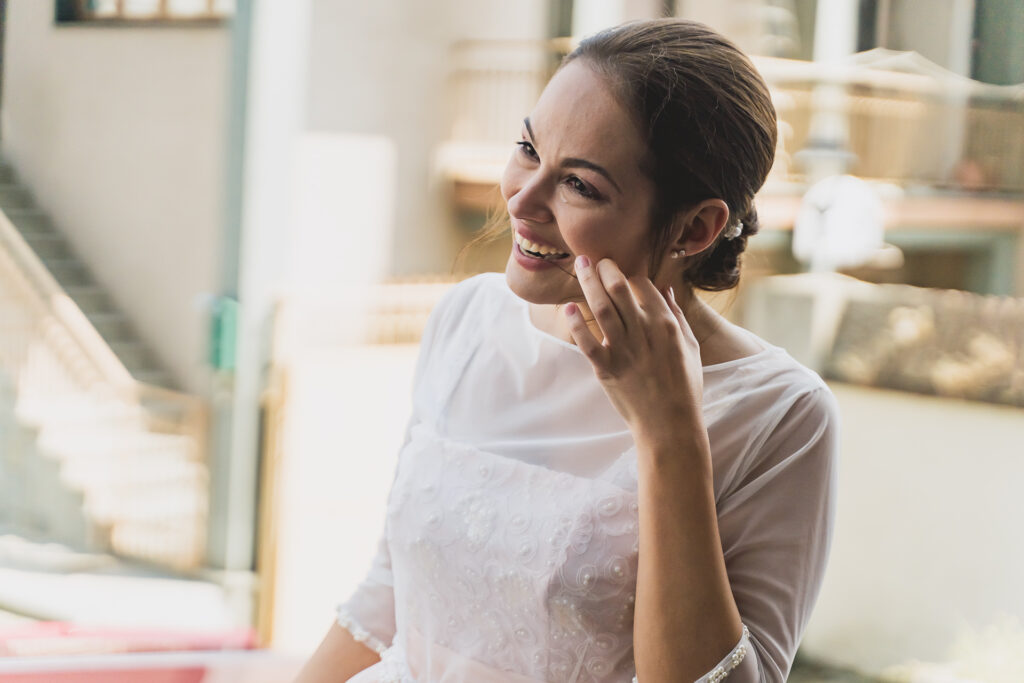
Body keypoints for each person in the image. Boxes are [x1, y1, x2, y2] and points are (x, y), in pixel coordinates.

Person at [295, 18, 838, 683]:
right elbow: (386, 602)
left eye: (579, 184)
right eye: (528, 147)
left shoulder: (781, 415)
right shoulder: (467, 318)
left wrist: (669, 434)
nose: (522, 199)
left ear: (696, 227)